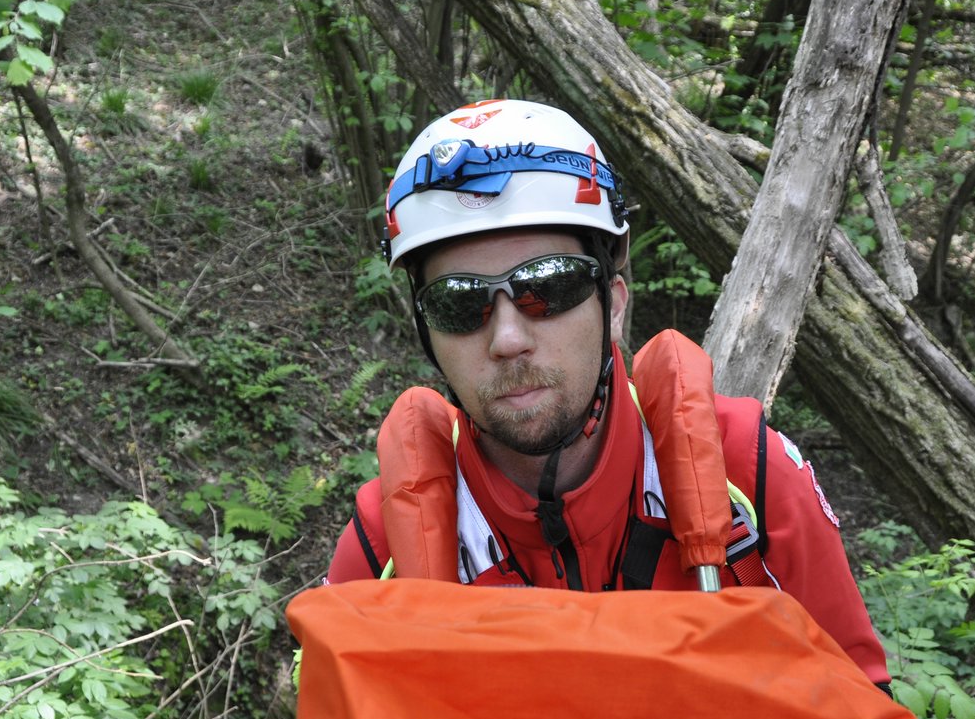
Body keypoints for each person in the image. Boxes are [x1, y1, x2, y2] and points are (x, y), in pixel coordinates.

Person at [325, 98, 889, 688]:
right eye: (460, 303)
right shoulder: (384, 545)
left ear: (613, 303)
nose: (508, 339)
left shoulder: (748, 476)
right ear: (427, 331)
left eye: (548, 286)